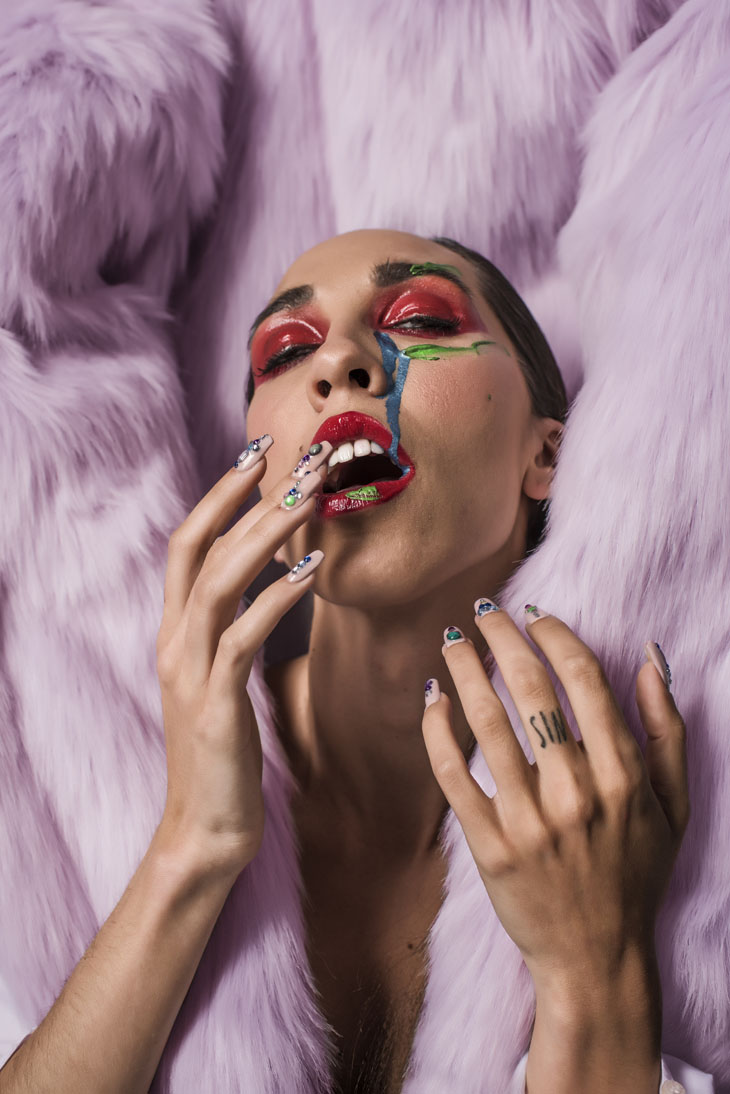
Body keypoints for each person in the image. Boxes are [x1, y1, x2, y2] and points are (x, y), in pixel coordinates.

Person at [0, 229, 713, 1094]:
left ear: (547, 455)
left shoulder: (649, 809)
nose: (338, 361)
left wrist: (596, 976)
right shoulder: (65, 812)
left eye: (420, 321)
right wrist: (192, 845)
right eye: (284, 353)